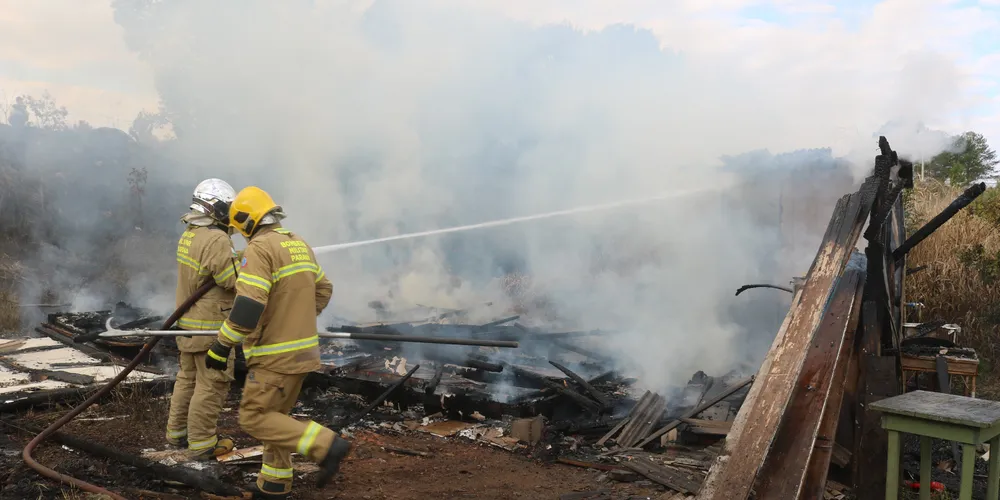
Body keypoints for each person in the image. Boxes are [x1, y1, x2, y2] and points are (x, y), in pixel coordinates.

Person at [204, 186, 351, 499]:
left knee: (255, 417)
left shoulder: (260, 249)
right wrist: (297, 318)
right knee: (276, 420)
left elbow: (248, 307)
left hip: (274, 357)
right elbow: (324, 288)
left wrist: (221, 345)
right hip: (302, 353)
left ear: (246, 222)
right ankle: (273, 486)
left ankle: (326, 445)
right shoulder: (298, 243)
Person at [165, 178, 240, 460]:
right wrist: (252, 265)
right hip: (210, 327)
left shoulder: (190, 233)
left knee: (187, 380)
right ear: (216, 208)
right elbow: (231, 280)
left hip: (187, 324)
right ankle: (202, 444)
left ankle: (177, 434)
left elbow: (209, 268)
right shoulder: (217, 238)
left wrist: (236, 257)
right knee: (211, 385)